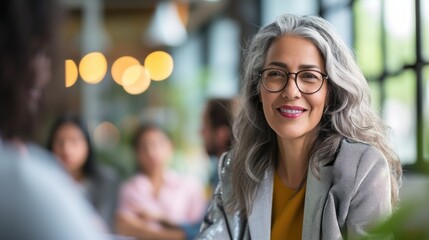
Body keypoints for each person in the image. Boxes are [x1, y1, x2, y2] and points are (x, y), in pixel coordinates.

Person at [196, 14, 402, 240]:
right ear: (258, 89)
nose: (291, 91)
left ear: (330, 91)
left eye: (309, 76)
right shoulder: (236, 168)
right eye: (275, 74)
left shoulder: (362, 168)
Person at [0, 0, 109, 239]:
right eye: (37, 51)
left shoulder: (101, 183)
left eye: (75, 141)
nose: (44, 71)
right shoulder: (23, 181)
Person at [116, 123, 206, 240]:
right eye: (144, 147)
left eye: (158, 144)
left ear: (171, 147)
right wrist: (178, 234)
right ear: (136, 153)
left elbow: (200, 230)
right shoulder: (129, 189)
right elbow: (124, 226)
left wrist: (150, 225)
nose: (151, 152)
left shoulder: (190, 186)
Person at [46, 114, 120, 231]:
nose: (67, 149)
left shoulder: (106, 181)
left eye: (74, 141)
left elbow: (102, 225)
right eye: (60, 142)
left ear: (87, 145)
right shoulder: (45, 182)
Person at [200, 97, 235, 191]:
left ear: (222, 133)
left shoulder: (227, 179)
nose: (200, 132)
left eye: (205, 126)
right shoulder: (218, 173)